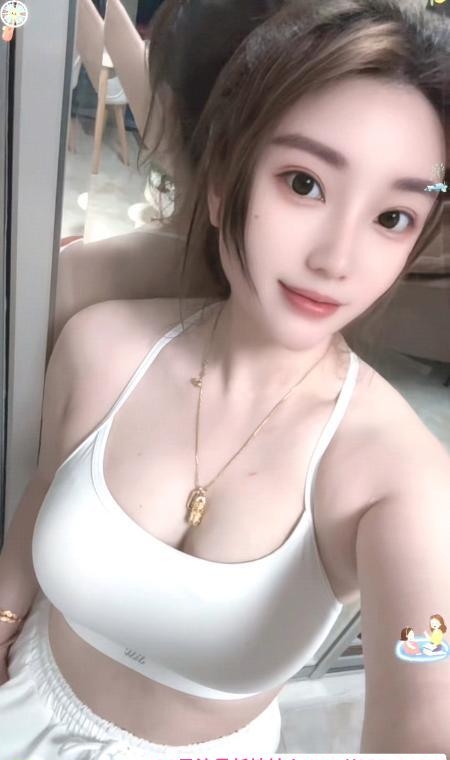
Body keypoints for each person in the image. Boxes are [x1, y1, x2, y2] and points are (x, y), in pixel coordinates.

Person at [0, 0, 450, 756]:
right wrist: (4, 624)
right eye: (303, 183)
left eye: (392, 218)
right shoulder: (101, 348)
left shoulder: (402, 481)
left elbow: (426, 688)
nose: (337, 260)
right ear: (221, 183)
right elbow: (42, 496)